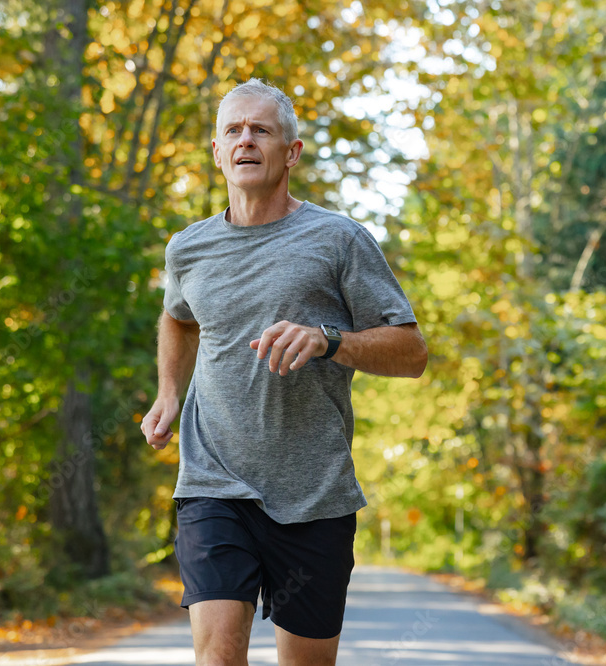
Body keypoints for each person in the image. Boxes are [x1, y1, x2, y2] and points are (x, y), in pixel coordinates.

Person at [140, 78, 427, 666]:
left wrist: (329, 340)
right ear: (217, 152)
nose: (246, 140)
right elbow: (178, 319)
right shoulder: (188, 249)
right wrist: (169, 393)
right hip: (213, 483)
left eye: (261, 130)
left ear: (290, 153)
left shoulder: (337, 239)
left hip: (313, 494)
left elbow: (411, 351)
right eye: (233, 131)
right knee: (217, 656)